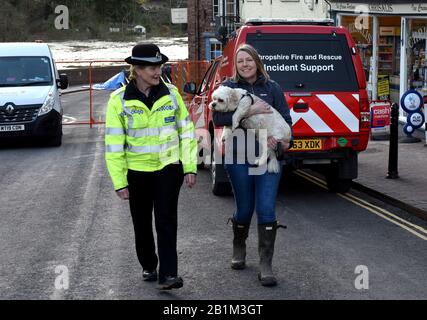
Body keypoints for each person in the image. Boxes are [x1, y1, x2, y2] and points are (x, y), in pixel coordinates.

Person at [105, 43, 197, 290]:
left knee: (166, 220)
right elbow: (114, 145)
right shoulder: (118, 101)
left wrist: (189, 166)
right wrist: (119, 182)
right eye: (151, 67)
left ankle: (168, 274)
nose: (158, 71)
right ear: (136, 69)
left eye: (159, 66)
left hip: (168, 168)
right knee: (142, 222)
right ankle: (148, 263)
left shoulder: (172, 94)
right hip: (136, 172)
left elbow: (187, 132)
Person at [212, 44, 292, 287]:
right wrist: (250, 111)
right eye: (240, 61)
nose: (244, 64)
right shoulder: (229, 87)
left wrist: (279, 144)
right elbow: (218, 118)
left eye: (248, 60)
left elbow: (286, 123)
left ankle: (266, 264)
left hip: (266, 158)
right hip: (238, 155)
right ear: (235, 66)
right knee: (245, 209)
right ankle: (239, 247)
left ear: (257, 62)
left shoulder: (273, 88)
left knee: (266, 209)